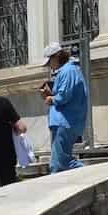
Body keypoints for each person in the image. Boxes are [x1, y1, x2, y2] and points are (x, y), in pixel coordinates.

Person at [39, 42, 89, 173]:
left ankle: (92, 174)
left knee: (59, 163)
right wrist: (50, 95)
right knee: (62, 161)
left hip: (65, 121)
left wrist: (51, 99)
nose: (49, 66)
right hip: (64, 122)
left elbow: (64, 96)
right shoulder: (68, 71)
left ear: (56, 57)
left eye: (49, 61)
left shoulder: (68, 71)